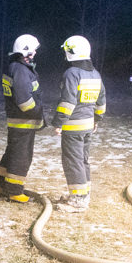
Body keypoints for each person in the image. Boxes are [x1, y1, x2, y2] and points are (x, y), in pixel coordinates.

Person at [52, 35, 106, 212]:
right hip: (88, 125)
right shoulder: (95, 74)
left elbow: (68, 101)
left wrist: (59, 122)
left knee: (73, 161)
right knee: (83, 160)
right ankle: (83, 193)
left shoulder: (72, 73)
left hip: (73, 126)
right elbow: (101, 102)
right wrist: (97, 119)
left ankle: (78, 200)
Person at [0, 34, 45, 203]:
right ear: (26, 52)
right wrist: (38, 113)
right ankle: (15, 191)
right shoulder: (21, 70)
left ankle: (2, 185)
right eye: (33, 51)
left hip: (17, 120)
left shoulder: (15, 67)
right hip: (23, 121)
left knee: (12, 152)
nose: (35, 53)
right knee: (21, 156)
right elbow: (24, 101)